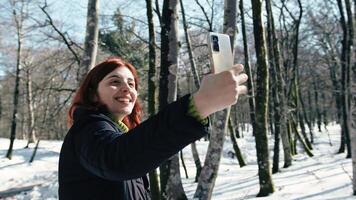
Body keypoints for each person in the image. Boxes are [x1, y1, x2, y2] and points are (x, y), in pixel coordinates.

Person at [58, 57, 248, 200]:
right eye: (115, 82)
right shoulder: (87, 129)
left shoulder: (125, 139)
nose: (127, 88)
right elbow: (116, 160)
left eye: (131, 84)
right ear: (93, 94)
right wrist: (199, 104)